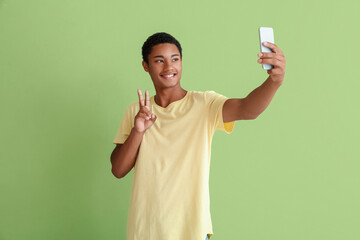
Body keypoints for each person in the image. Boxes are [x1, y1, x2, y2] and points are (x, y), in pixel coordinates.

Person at [110, 32, 286, 240]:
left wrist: (274, 82)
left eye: (175, 59)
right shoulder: (137, 111)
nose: (169, 67)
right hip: (144, 231)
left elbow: (247, 109)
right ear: (145, 66)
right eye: (159, 61)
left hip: (190, 232)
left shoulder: (204, 104)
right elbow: (118, 170)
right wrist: (138, 130)